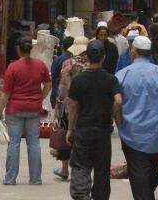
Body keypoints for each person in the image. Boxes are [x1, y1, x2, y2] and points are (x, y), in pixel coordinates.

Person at [115, 36, 158, 200]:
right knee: (148, 172)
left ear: (134, 51)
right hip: (156, 135)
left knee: (140, 177)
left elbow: (115, 103)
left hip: (131, 134)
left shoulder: (122, 75)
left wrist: (117, 120)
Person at [67, 40, 122, 200]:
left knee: (80, 165)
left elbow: (73, 107)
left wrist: (70, 128)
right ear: (103, 58)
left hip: (83, 129)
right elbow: (118, 100)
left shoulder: (79, 80)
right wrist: (111, 114)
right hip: (103, 131)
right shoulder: (111, 79)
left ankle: (81, 195)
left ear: (87, 57)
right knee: (102, 168)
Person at [0, 36, 52, 186]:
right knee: (33, 142)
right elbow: (48, 84)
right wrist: (40, 97)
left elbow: (6, 93)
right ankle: (35, 179)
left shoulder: (12, 67)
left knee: (14, 143)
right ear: (30, 49)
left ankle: (10, 179)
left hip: (15, 109)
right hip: (34, 109)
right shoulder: (40, 65)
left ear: (19, 49)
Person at [54, 37, 90, 181]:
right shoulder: (91, 65)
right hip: (86, 107)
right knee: (82, 137)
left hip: (68, 105)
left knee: (65, 136)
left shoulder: (67, 63)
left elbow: (63, 88)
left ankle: (64, 169)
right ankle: (81, 168)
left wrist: (58, 105)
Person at [50, 36, 75, 109]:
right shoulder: (75, 61)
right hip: (71, 95)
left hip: (57, 92)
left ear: (63, 47)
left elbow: (53, 77)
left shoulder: (57, 60)